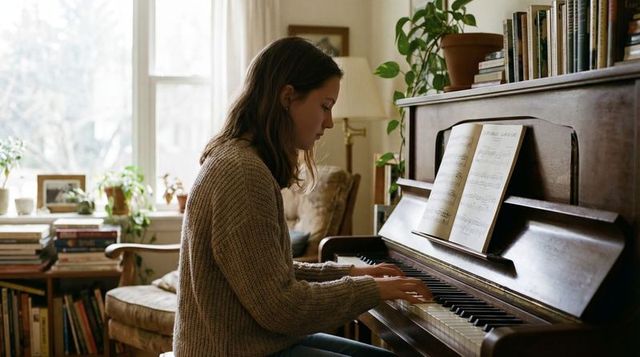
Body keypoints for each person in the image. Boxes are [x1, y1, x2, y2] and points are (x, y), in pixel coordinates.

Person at [173, 36, 431, 357]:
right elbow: (281, 307)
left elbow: (271, 273)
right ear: (287, 97)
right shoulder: (242, 172)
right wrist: (370, 289)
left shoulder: (238, 159)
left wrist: (352, 272)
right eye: (325, 106)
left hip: (251, 343)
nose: (330, 122)